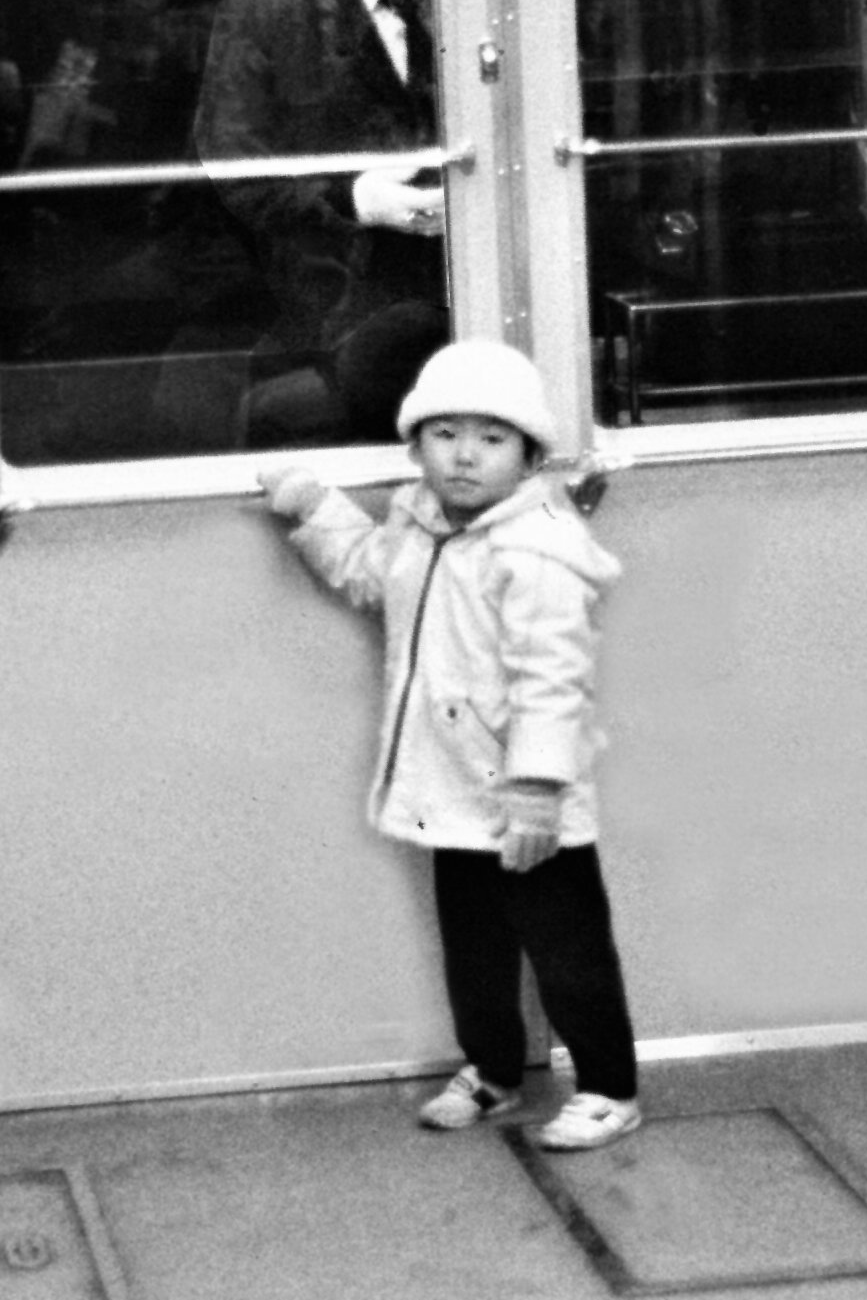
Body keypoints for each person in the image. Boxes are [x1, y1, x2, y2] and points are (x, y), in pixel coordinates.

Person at [258, 340, 641, 1151]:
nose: (465, 455)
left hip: (525, 795)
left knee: (567, 950)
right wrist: (314, 505)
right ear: (416, 444)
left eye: (492, 439)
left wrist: (537, 787)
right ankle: (494, 1070)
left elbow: (552, 678)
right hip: (449, 785)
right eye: (445, 434)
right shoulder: (417, 523)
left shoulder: (538, 547)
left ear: (528, 455)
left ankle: (608, 1087)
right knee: (474, 947)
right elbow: (369, 574)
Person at [194, 0, 448, 446]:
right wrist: (359, 198)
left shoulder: (461, 4)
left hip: (462, 318)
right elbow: (236, 174)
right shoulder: (261, 22)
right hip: (333, 321)